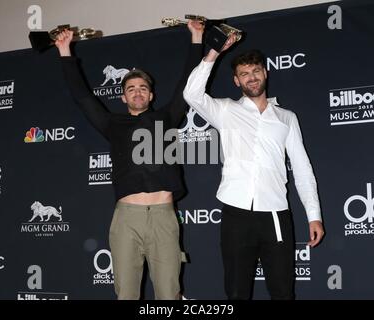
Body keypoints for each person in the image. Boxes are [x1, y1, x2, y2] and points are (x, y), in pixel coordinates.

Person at [55, 21, 204, 300]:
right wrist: (65, 50)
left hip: (163, 218)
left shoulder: (166, 118)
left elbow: (187, 84)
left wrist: (197, 38)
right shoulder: (113, 124)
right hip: (126, 220)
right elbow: (82, 97)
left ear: (151, 94)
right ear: (123, 96)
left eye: (143, 87)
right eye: (131, 88)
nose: (137, 91)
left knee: (169, 295)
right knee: (126, 296)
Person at [183, 36, 325, 300]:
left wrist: (313, 214)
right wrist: (215, 51)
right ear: (236, 81)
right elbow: (191, 94)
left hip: (275, 214)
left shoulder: (286, 118)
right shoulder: (225, 110)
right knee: (237, 292)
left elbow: (302, 168)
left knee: (283, 292)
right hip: (236, 214)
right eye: (244, 74)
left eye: (255, 71)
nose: (251, 77)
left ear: (265, 73)